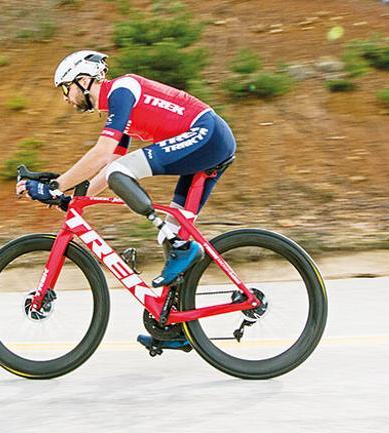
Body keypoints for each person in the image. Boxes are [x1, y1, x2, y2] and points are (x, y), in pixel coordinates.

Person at [16, 50, 237, 349]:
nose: (66, 99)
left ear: (83, 81)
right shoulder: (120, 114)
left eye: (65, 89)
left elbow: (104, 155)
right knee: (174, 231)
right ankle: (176, 328)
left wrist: (56, 186)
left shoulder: (122, 90)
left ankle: (178, 246)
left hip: (206, 135)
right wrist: (73, 198)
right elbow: (107, 171)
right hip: (208, 144)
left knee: (128, 176)